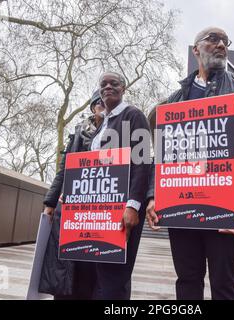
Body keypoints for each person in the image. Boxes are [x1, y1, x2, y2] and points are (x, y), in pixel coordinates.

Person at [146, 27, 234, 300]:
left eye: (225, 41)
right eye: (213, 39)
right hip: (181, 205)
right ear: (195, 50)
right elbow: (163, 156)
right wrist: (154, 196)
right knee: (187, 281)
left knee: (224, 282)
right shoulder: (175, 99)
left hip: (224, 206)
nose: (221, 45)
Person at [90, 71, 151, 300]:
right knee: (102, 274)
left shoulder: (133, 115)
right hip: (99, 208)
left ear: (123, 88)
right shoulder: (103, 124)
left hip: (122, 208)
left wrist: (133, 205)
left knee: (115, 277)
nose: (108, 87)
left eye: (113, 83)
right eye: (103, 84)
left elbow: (143, 161)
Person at [39, 90, 105, 299]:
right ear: (93, 107)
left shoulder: (121, 129)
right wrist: (50, 201)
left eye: (106, 103)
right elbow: (64, 168)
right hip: (73, 205)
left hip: (102, 206)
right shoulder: (78, 132)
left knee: (92, 263)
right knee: (68, 260)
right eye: (98, 103)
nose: (103, 106)